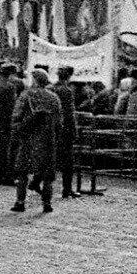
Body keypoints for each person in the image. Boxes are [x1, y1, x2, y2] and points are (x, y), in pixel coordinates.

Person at [11, 68, 63, 213]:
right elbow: (59, 122)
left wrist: (17, 131)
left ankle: (20, 202)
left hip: (28, 139)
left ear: (34, 80)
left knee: (23, 172)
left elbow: (17, 116)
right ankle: (47, 204)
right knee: (47, 175)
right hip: (47, 139)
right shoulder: (53, 97)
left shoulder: (26, 95)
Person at [0, 65, 23, 186]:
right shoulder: (11, 87)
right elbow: (12, 104)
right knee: (7, 148)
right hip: (6, 118)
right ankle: (7, 176)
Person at [54, 65, 81, 198]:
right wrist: (74, 130)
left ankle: (38, 181)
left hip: (53, 129)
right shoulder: (67, 91)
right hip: (65, 130)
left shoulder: (52, 89)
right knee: (68, 162)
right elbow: (69, 113)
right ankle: (67, 189)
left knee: (50, 158)